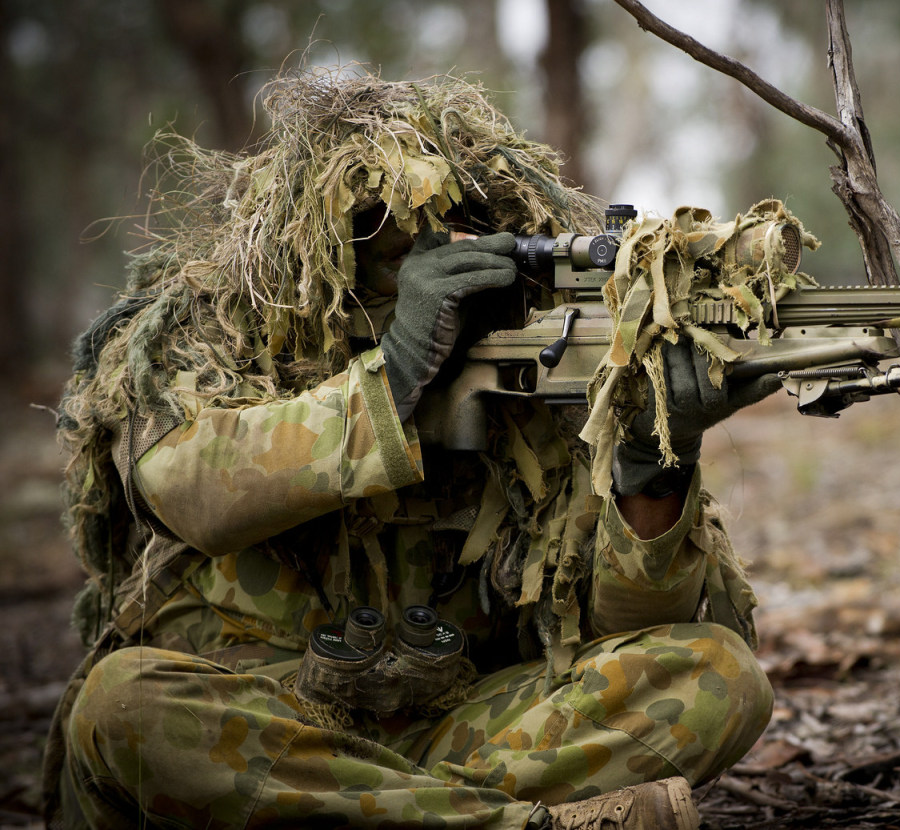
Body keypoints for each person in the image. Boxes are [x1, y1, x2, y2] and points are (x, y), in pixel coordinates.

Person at [44, 70, 780, 829]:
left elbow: (618, 630)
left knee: (718, 676)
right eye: (377, 239)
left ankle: (380, 813)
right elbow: (191, 487)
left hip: (447, 736)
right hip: (266, 725)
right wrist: (393, 374)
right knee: (125, 704)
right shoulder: (210, 332)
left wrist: (653, 459)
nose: (421, 266)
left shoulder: (528, 362)